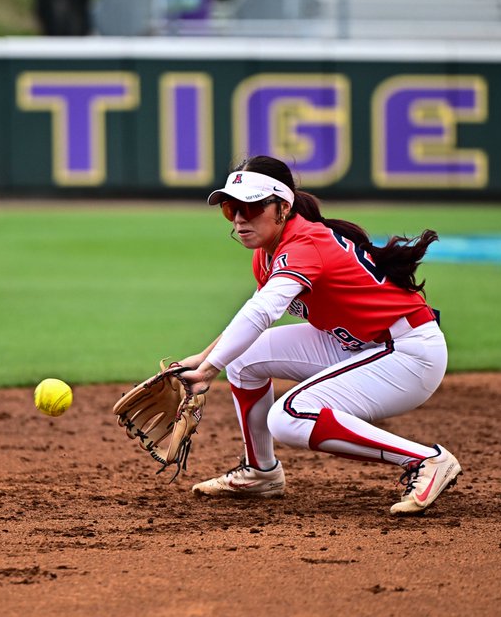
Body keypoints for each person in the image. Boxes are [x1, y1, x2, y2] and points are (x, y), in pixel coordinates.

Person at [174, 156, 460, 515]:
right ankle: (261, 473)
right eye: (231, 208)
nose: (240, 218)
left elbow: (264, 312)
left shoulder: (305, 243)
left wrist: (208, 369)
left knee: (289, 417)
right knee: (243, 359)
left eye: (252, 206)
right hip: (357, 343)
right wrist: (203, 359)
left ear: (282, 208)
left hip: (407, 354)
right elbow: (255, 310)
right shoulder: (267, 251)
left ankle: (426, 460)